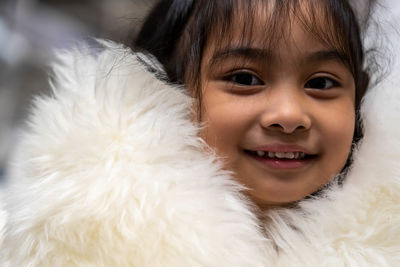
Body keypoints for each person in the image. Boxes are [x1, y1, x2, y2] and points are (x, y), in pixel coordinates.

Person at [0, 0, 399, 266]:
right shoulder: (69, 237)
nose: (289, 115)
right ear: (167, 92)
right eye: (244, 78)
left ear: (358, 99)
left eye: (322, 83)